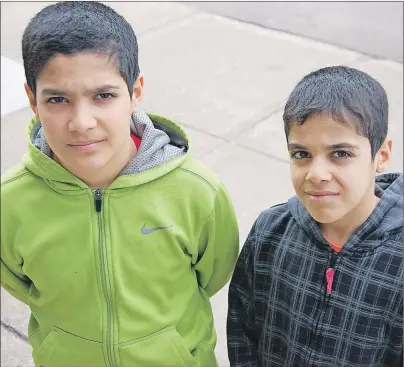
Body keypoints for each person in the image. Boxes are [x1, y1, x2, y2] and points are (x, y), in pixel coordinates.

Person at [1, 2, 239, 366]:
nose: (81, 122)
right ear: (33, 100)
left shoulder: (196, 192)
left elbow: (213, 274)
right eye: (58, 99)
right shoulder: (10, 203)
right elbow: (17, 281)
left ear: (136, 92)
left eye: (103, 96)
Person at [227, 66, 403, 367]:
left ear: (381, 156)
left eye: (341, 154)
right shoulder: (270, 232)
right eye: (302, 154)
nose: (317, 174)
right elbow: (243, 328)